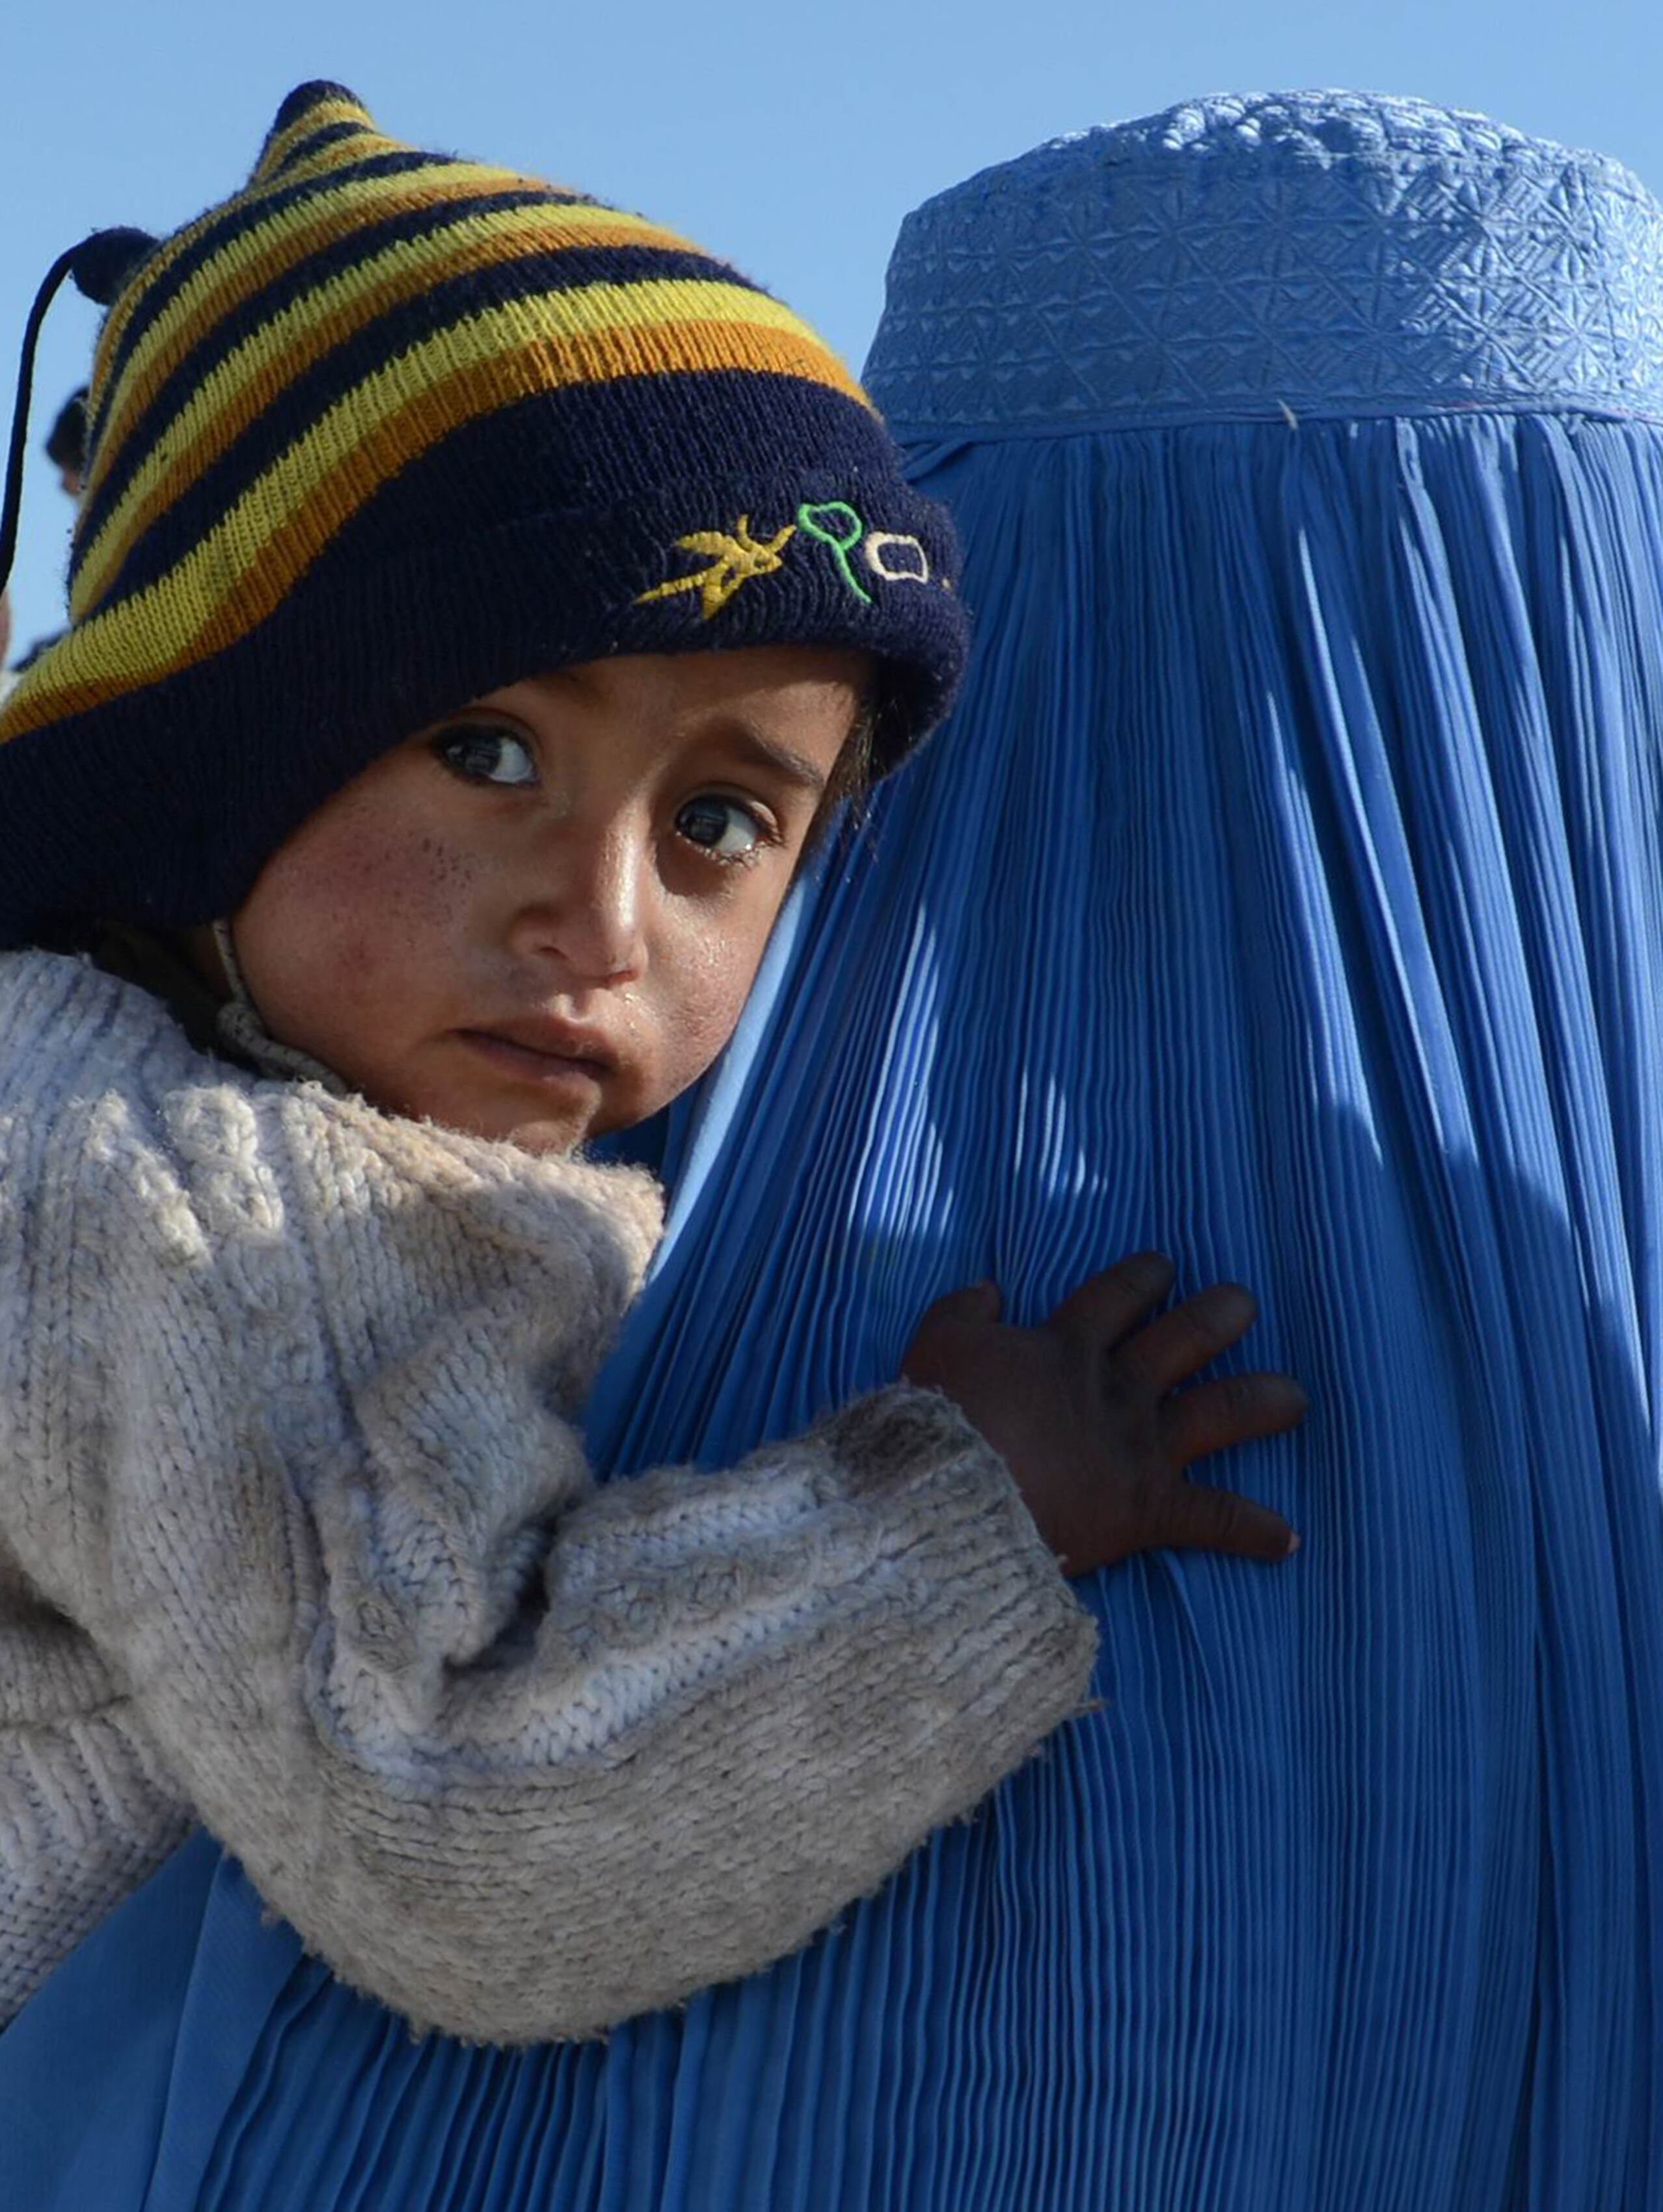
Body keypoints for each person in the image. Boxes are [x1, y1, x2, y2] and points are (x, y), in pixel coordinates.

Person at [12, 86, 1655, 2212]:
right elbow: (454, 1813)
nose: (595, 928)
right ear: (199, 746)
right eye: (484, 748)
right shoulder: (182, 1208)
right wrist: (948, 1512)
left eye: (725, 824)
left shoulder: (378, 1075)